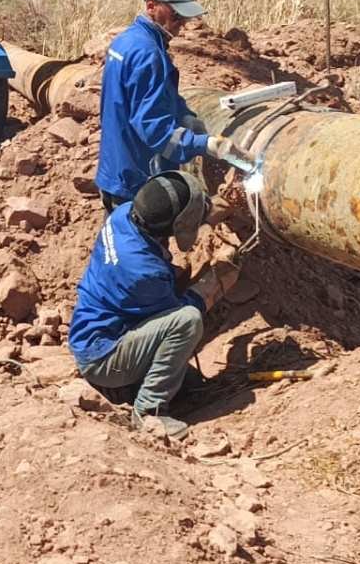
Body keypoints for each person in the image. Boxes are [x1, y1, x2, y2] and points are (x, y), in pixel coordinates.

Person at [68, 170, 240, 440]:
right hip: (102, 358)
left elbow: (168, 223)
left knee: (189, 384)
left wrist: (209, 210)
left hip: (94, 333)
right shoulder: (143, 272)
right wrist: (216, 281)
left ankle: (129, 387)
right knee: (188, 321)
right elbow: (179, 309)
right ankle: (149, 412)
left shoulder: (124, 214)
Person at [95, 0, 249, 212]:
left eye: (184, 15)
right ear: (151, 6)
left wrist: (184, 115)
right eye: (176, 15)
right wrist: (205, 144)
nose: (182, 23)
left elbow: (147, 96)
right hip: (136, 179)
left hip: (115, 164)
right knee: (140, 235)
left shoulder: (125, 41)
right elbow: (155, 130)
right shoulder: (148, 54)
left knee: (116, 233)